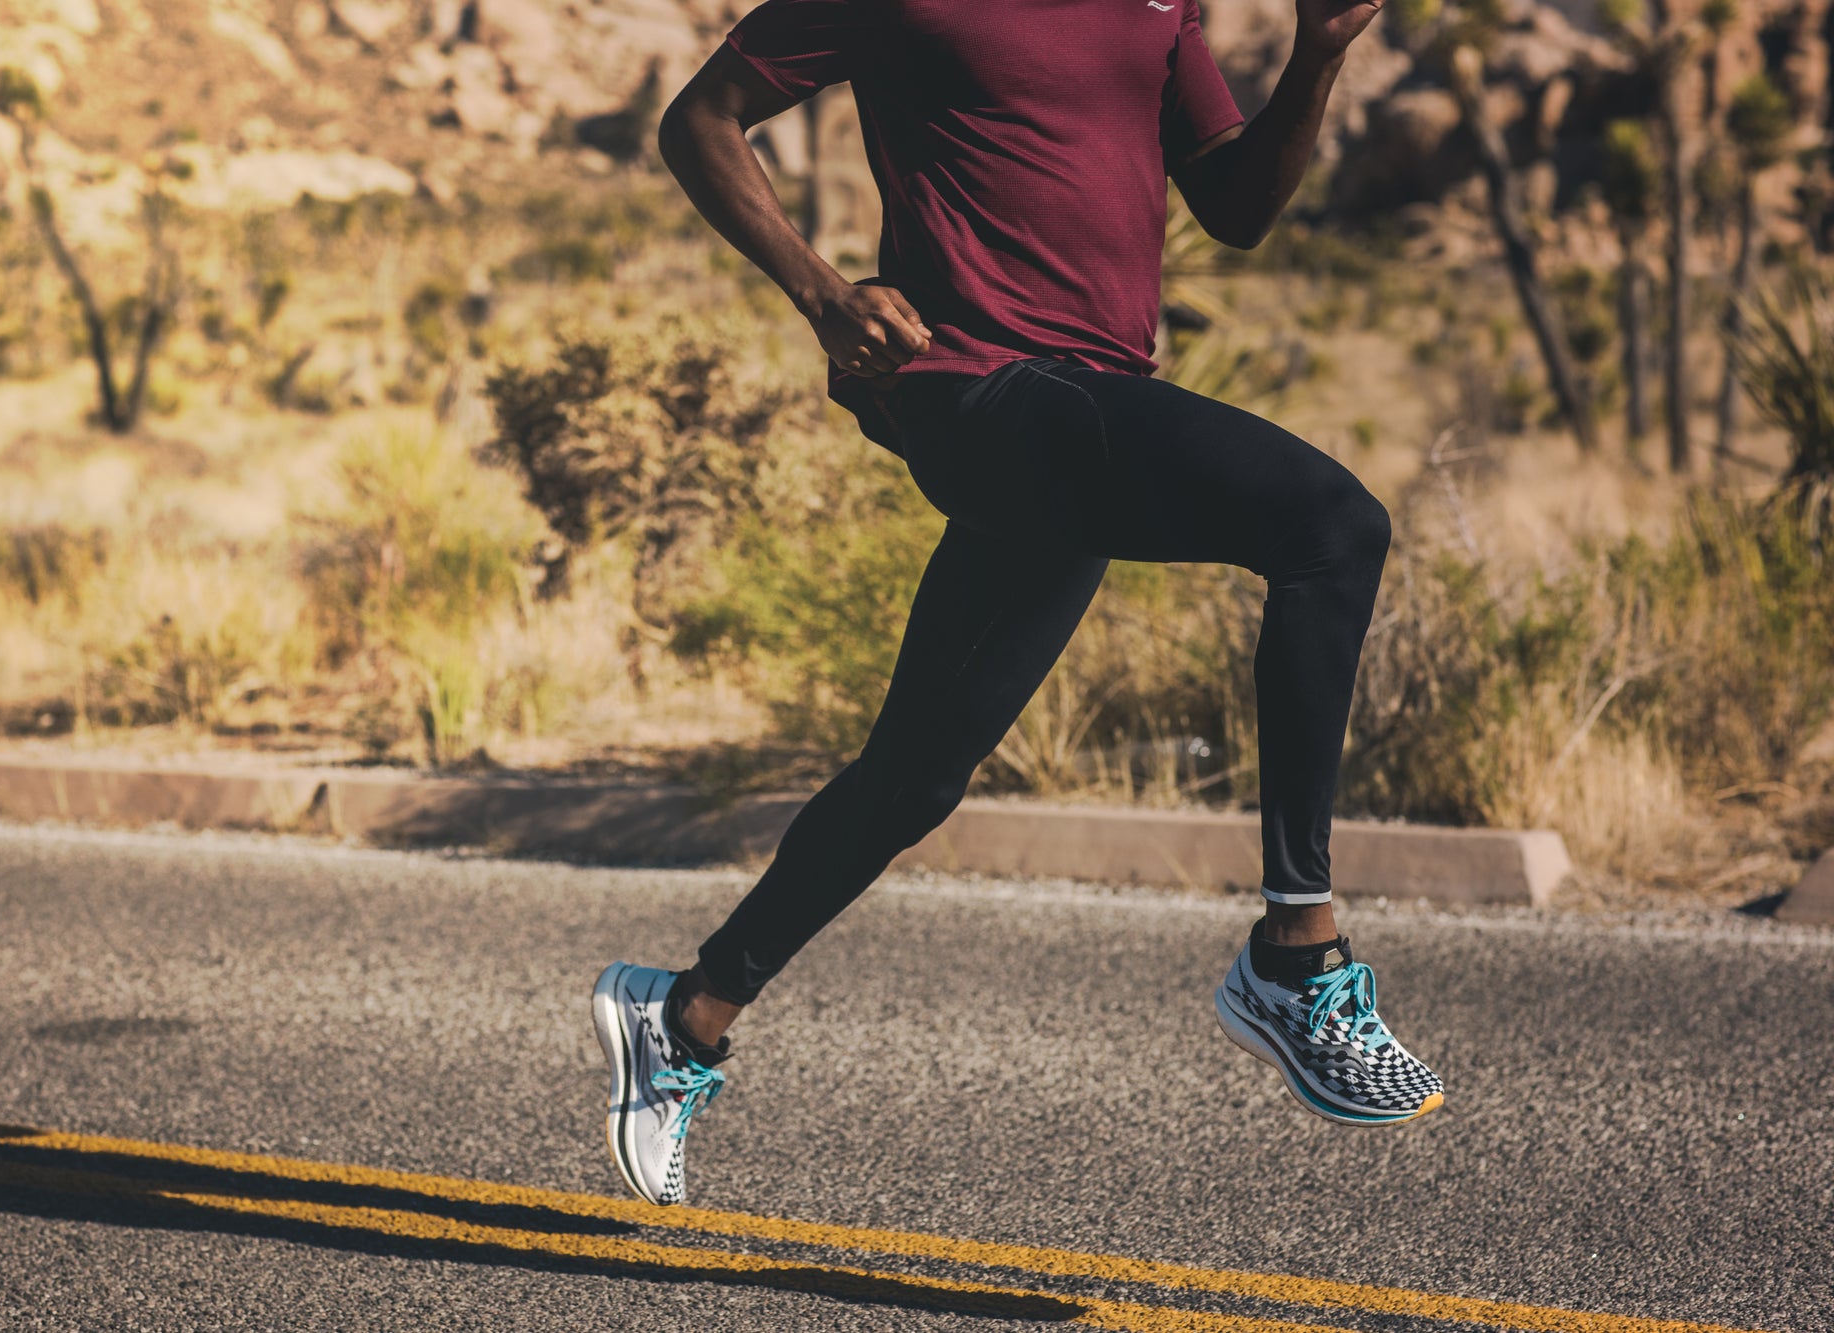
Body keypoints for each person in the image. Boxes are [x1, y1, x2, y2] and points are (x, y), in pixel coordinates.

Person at [591, 0, 1443, 1208]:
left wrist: (1315, 57)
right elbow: (702, 121)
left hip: (1084, 408)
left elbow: (1235, 208)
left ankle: (683, 1017)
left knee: (915, 776)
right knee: (1331, 527)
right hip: (976, 386)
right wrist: (822, 293)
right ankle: (1295, 956)